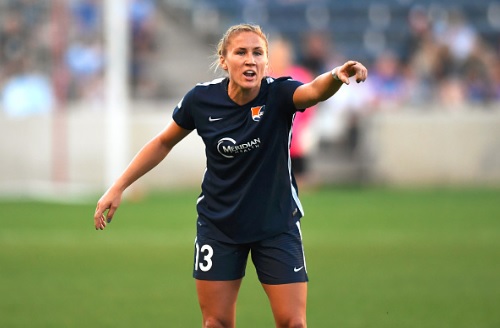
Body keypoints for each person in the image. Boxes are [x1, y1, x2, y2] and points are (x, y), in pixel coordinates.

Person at [94, 24, 367, 328]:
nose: (250, 60)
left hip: (276, 224)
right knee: (216, 323)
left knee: (294, 323)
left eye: (257, 53)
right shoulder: (201, 100)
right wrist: (117, 187)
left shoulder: (279, 93)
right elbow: (163, 142)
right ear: (224, 60)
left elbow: (313, 91)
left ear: (266, 62)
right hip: (219, 226)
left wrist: (335, 77)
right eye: (241, 52)